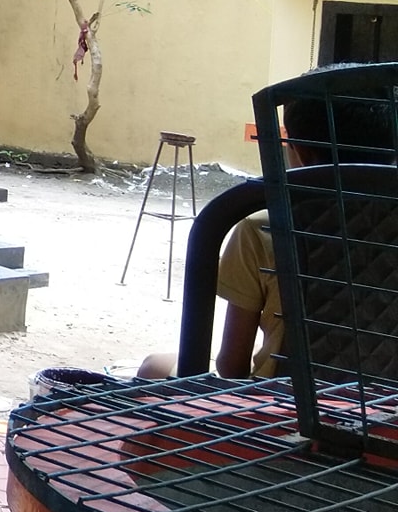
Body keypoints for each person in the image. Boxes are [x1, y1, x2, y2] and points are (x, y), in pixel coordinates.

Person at [138, 76, 394, 379]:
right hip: (385, 408)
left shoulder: (261, 228)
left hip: (283, 405)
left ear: (299, 151)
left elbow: (232, 365)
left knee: (154, 365)